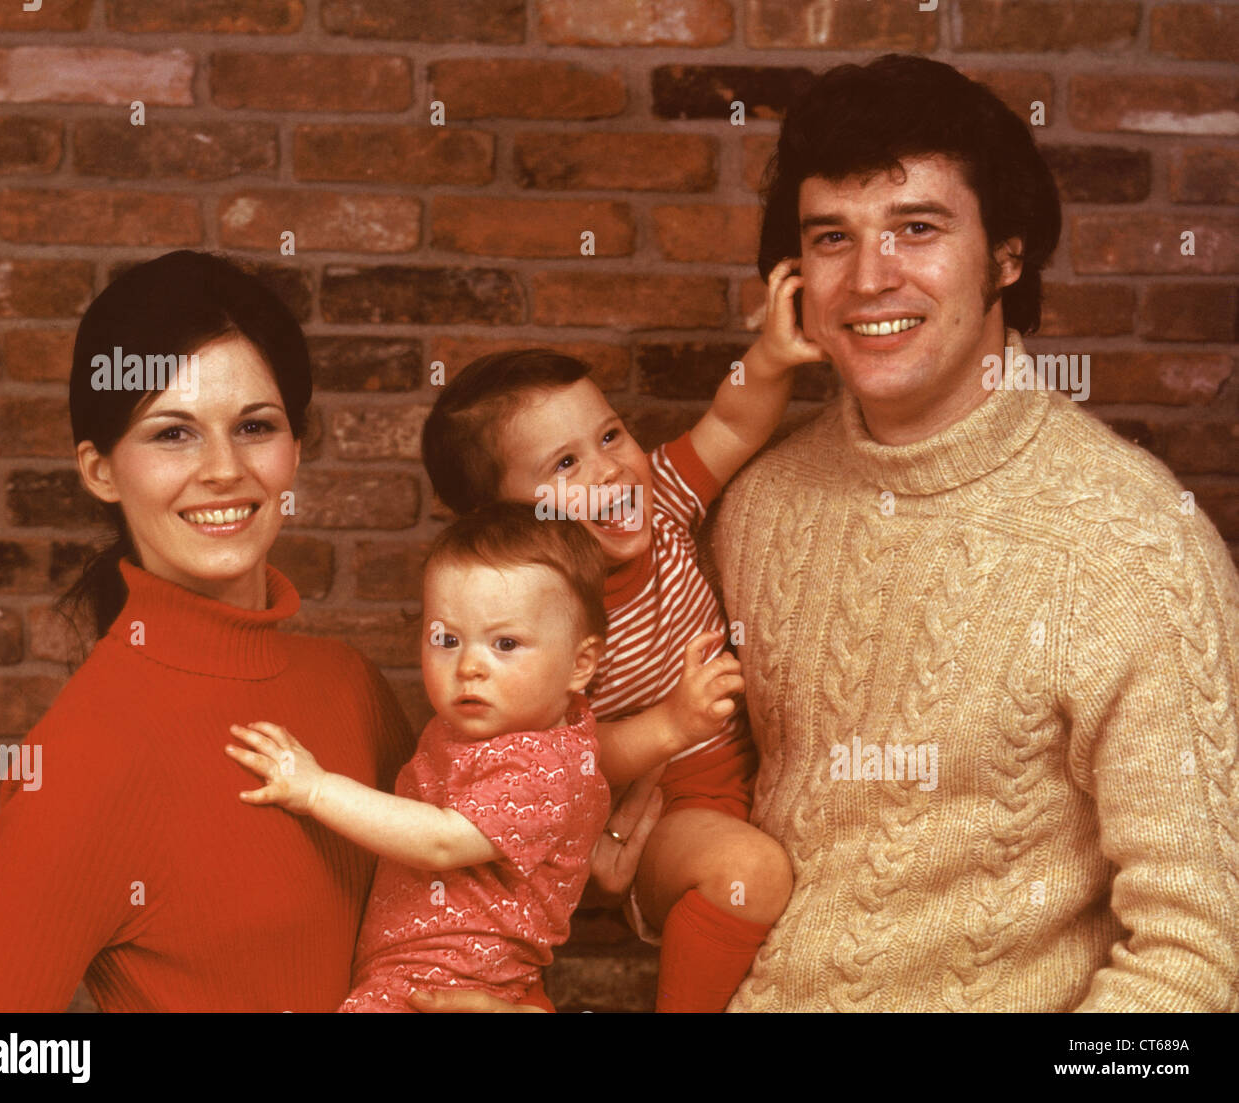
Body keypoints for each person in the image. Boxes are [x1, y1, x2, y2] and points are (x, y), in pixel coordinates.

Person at [707, 53, 1239, 1011]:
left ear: (1006, 256)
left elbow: (1202, 959)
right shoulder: (758, 510)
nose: (870, 278)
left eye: (918, 228)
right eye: (833, 237)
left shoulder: (1134, 547)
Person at [0, 252, 549, 1013]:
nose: (224, 469)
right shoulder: (77, 759)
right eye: (173, 434)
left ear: (293, 448)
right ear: (99, 470)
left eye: (255, 426)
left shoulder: (347, 684)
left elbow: (478, 923)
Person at [419, 305, 821, 1010]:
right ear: (508, 518)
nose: (609, 468)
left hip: (755, 779)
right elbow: (553, 762)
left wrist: (772, 357)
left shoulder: (660, 499)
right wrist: (670, 724)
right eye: (565, 464)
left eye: (610, 434)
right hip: (662, 811)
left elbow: (732, 424)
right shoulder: (537, 610)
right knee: (747, 871)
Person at [227, 505, 611, 1011]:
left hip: (443, 984)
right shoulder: (501, 727)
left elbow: (440, 841)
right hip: (421, 973)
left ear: (579, 664)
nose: (470, 666)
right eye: (447, 639)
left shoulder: (542, 765)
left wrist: (317, 789)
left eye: (506, 644)